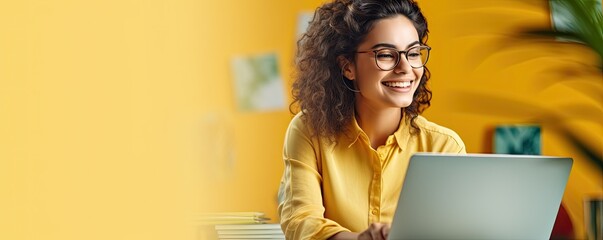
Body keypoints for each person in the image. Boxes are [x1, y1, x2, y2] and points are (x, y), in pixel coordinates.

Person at [277, 0, 466, 239]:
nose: (405, 68)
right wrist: (361, 239)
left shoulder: (444, 147)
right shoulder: (309, 130)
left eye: (414, 53)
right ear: (348, 67)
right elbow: (301, 222)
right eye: (386, 55)